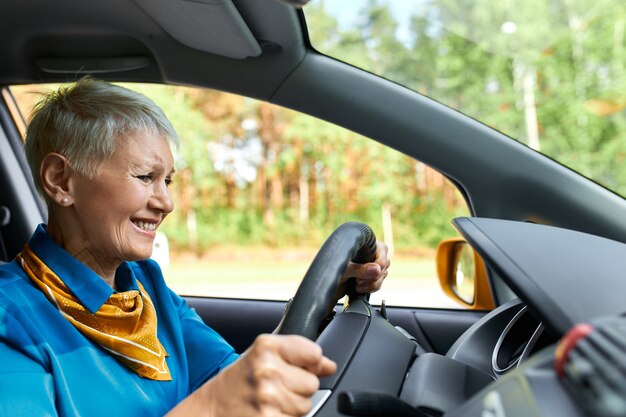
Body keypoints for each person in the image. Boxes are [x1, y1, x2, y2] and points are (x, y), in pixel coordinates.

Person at [0, 79, 390, 416]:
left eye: (167, 181)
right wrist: (211, 407)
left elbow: (234, 378)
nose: (166, 203)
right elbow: (223, 398)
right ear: (61, 181)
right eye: (145, 176)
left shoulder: (146, 287)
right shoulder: (9, 320)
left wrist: (328, 291)